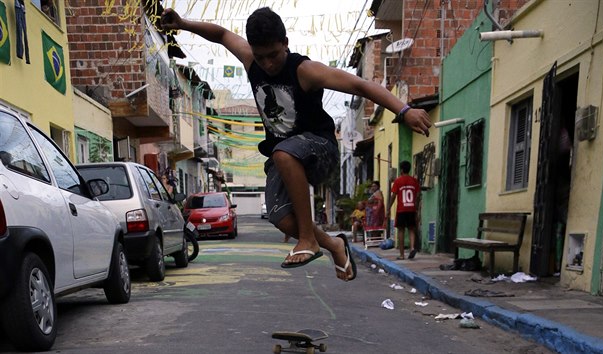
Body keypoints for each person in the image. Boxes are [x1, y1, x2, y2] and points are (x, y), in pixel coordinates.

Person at [161, 7, 432, 281]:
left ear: (286, 44)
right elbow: (220, 34)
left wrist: (403, 110)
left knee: (284, 152)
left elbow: (359, 85)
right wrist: (183, 23)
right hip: (285, 156)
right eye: (260, 57)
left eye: (274, 56)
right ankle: (335, 245)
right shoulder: (250, 60)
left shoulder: (305, 70)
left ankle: (308, 240)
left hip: (320, 149)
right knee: (280, 217)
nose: (267, 64)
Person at [386, 161, 420, 260]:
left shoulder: (398, 181)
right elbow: (417, 195)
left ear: (401, 169)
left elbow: (393, 196)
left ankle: (402, 255)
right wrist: (416, 208)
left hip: (401, 209)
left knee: (401, 230)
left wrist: (388, 208)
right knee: (411, 229)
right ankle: (412, 247)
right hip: (412, 208)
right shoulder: (414, 181)